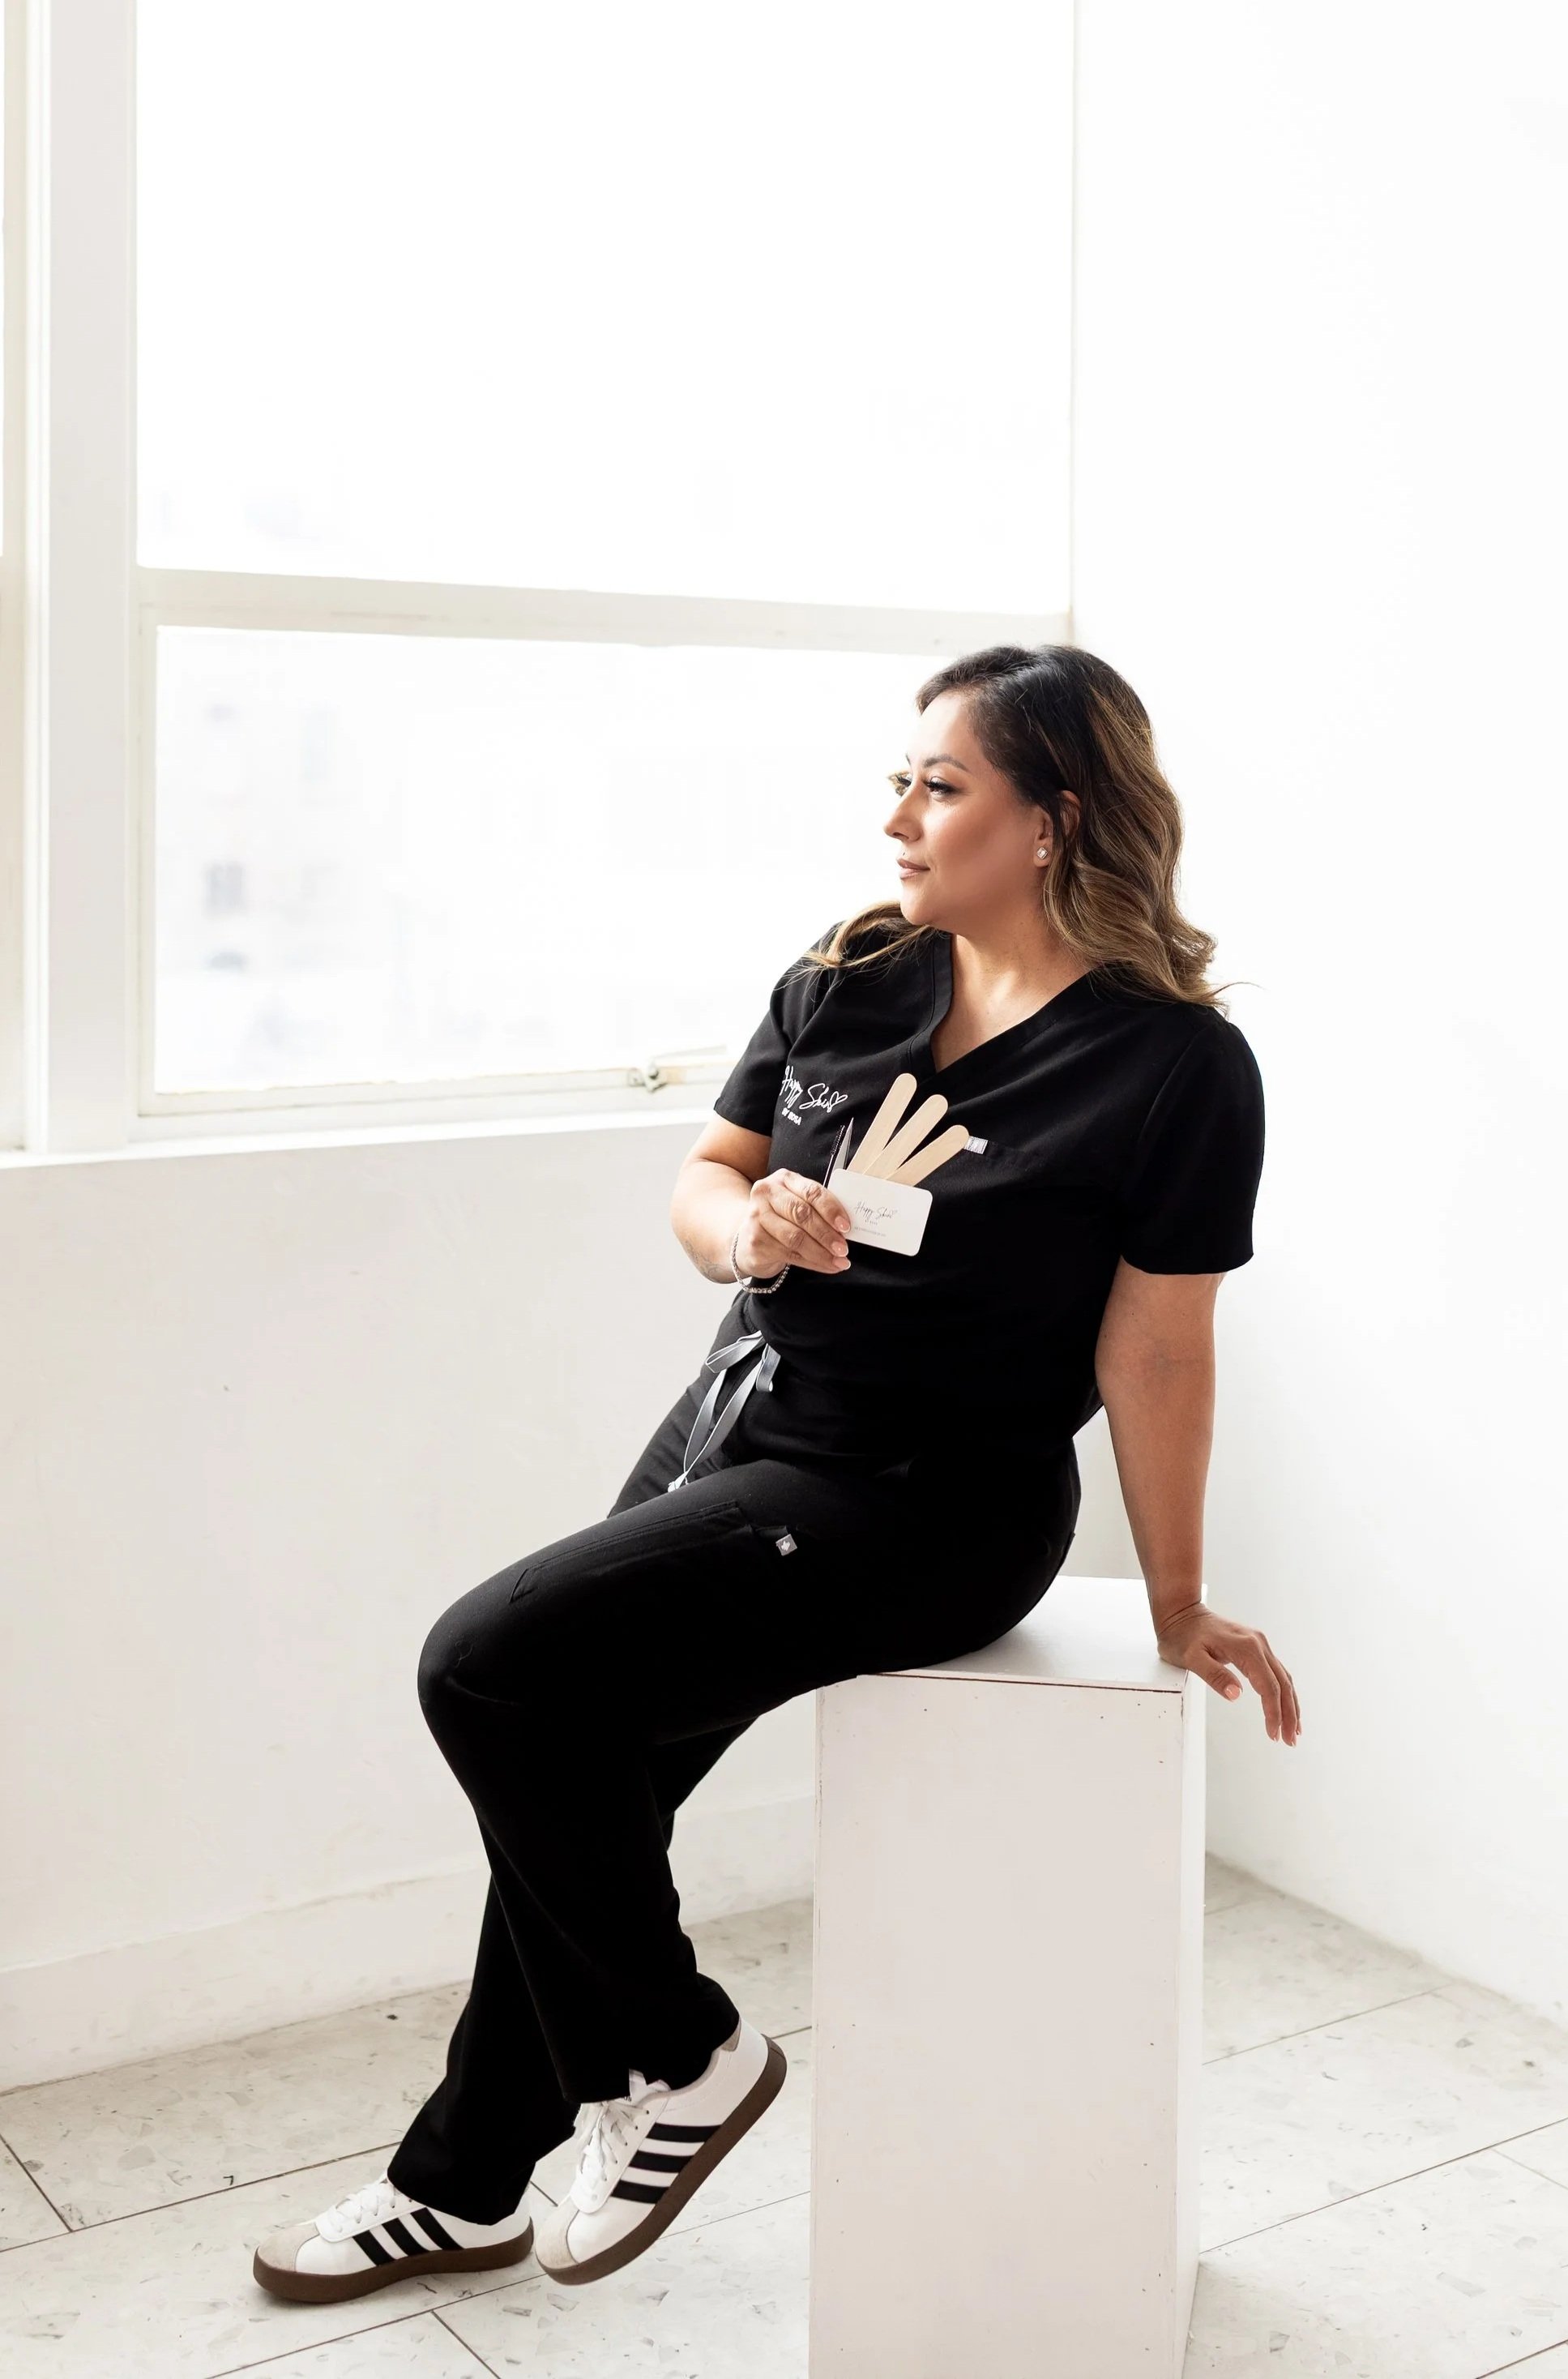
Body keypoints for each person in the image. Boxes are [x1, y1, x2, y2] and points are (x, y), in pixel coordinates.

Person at [251, 640, 1301, 2306]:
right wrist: (748, 1227)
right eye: (904, 780)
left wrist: (1176, 1593)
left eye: (940, 785)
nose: (897, 817)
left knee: (486, 1670)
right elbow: (708, 1175)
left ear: (1052, 820)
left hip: (934, 1500)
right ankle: (460, 2187)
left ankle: (689, 2055)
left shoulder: (1174, 1066)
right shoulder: (851, 971)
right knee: (589, 1792)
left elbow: (1157, 1351)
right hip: (739, 1426)